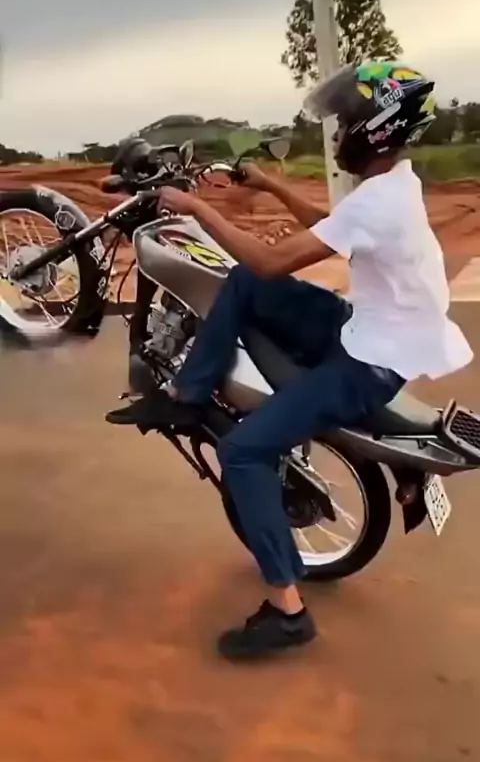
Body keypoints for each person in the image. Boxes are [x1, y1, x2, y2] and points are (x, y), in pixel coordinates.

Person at [106, 61, 473, 661]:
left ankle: (287, 612)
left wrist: (197, 210)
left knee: (243, 452)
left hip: (369, 362)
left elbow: (274, 261)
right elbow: (332, 228)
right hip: (370, 327)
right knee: (242, 283)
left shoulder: (379, 202)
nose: (338, 132)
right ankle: (188, 395)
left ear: (376, 128)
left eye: (346, 122)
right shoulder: (390, 186)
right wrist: (270, 185)